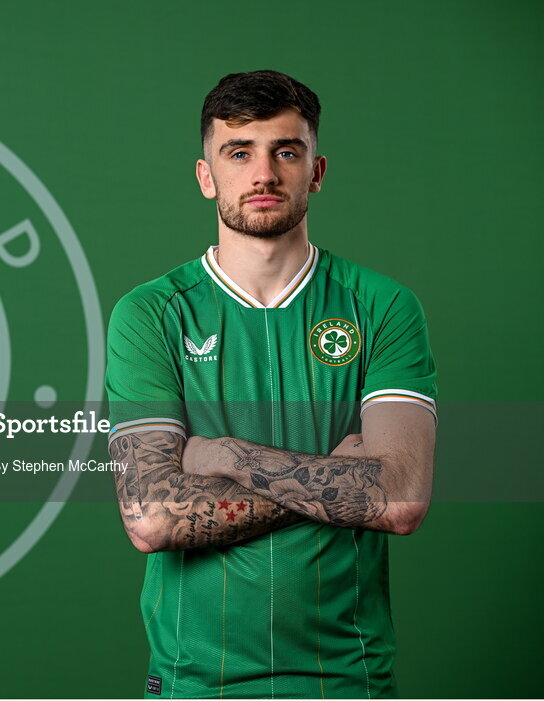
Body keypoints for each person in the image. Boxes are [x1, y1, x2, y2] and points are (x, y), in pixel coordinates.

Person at [105, 70, 437, 699]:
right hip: (193, 683)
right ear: (207, 177)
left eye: (286, 151)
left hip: (347, 680)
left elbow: (399, 500)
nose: (263, 173)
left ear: (317, 171)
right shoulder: (150, 313)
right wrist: (335, 484)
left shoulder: (383, 306)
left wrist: (224, 457)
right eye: (239, 152)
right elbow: (150, 518)